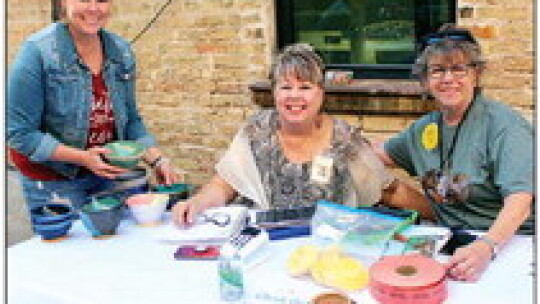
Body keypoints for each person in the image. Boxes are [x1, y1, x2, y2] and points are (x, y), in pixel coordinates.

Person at [172, 43, 427, 226]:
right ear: (274, 93)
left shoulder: (343, 140)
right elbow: (223, 185)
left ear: (321, 93)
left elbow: (389, 191)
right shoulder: (257, 131)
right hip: (264, 248)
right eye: (286, 87)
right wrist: (197, 204)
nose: (294, 96)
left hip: (331, 253)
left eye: (305, 87)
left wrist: (440, 214)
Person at [373, 26, 534, 281]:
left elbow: (520, 200)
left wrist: (487, 247)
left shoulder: (505, 127)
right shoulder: (425, 128)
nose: (448, 78)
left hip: (510, 244)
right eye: (437, 70)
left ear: (476, 74)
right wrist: (328, 138)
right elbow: (378, 153)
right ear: (425, 80)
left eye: (459, 69)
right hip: (449, 241)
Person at [7, 0, 181, 227]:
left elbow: (130, 122)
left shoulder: (120, 51)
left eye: (101, 0)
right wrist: (82, 158)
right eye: (83, 0)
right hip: (53, 180)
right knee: (67, 257)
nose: (93, 9)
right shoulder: (37, 52)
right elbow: (18, 132)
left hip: (105, 175)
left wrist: (159, 161)